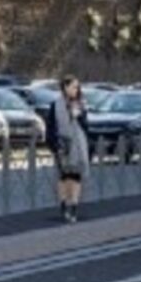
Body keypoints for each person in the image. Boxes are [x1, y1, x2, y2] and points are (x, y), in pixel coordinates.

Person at [53, 75, 89, 223]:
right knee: (64, 176)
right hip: (63, 144)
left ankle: (73, 207)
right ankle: (64, 206)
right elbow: (51, 127)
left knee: (76, 176)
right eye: (74, 86)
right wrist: (55, 144)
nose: (76, 90)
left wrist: (79, 115)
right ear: (65, 88)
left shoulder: (80, 103)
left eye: (77, 87)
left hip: (78, 145)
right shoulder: (56, 105)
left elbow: (86, 125)